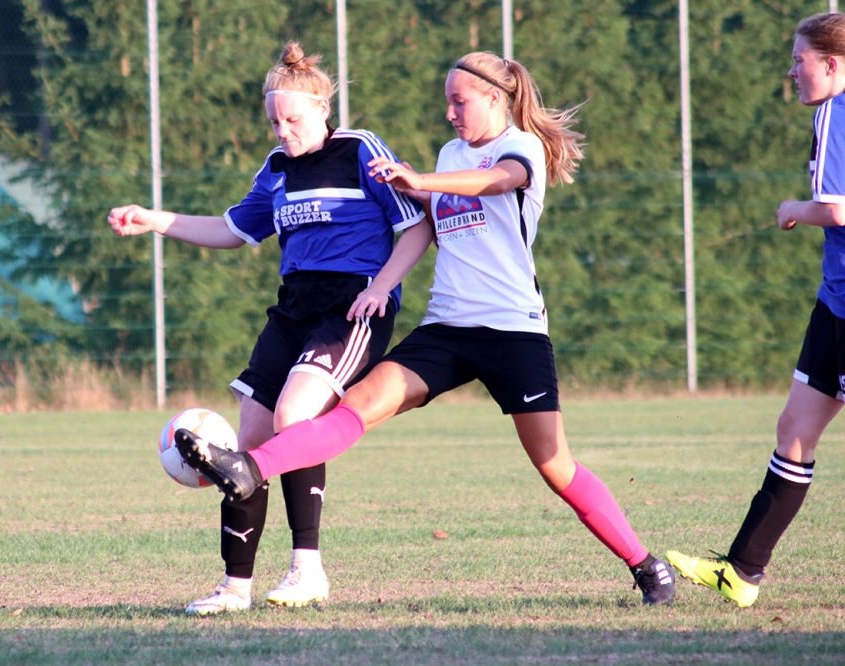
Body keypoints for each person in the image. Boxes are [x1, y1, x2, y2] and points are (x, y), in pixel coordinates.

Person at [178, 51, 676, 605]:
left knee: (555, 465)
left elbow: (497, 181)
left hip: (512, 331)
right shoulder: (450, 154)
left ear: (494, 97)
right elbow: (432, 215)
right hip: (446, 327)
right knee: (353, 408)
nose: (449, 113)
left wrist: (422, 179)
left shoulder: (520, 147)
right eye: (447, 102)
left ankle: (646, 565)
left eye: (459, 101)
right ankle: (249, 468)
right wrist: (411, 190)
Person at [108, 41, 431, 615]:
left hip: (352, 306)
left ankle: (308, 569)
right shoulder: (276, 169)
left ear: (322, 110)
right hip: (293, 307)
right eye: (275, 122)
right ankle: (235, 587)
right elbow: (232, 230)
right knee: (250, 442)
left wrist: (381, 288)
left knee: (294, 416)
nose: (283, 131)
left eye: (293, 119)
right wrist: (155, 220)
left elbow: (418, 223)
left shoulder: (360, 149)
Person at [665, 13, 845, 608]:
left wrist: (793, 207)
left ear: (831, 64)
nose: (792, 71)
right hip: (835, 304)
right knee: (794, 432)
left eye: (799, 59)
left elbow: (838, 209)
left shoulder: (836, 111)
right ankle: (742, 572)